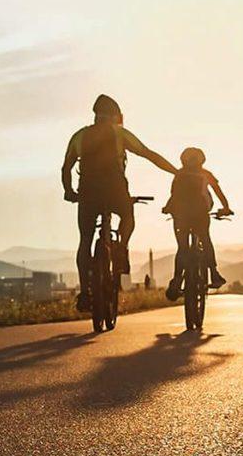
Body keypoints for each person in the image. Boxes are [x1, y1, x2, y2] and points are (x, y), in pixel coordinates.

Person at [62, 95, 177, 311]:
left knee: (85, 240)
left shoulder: (79, 136)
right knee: (127, 216)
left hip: (87, 193)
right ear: (116, 116)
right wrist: (177, 172)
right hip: (115, 189)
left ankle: (85, 293)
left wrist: (69, 191)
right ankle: (121, 249)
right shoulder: (118, 133)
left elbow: (66, 167)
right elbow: (149, 154)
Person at [163, 148, 233, 299]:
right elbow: (218, 192)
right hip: (201, 214)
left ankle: (176, 280)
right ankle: (214, 273)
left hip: (180, 215)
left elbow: (173, 195)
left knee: (182, 248)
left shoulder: (179, 174)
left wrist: (167, 208)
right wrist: (226, 208)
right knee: (205, 239)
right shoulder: (206, 174)